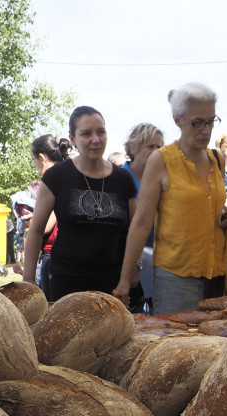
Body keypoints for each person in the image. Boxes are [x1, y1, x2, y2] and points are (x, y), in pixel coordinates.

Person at [113, 83, 227, 314]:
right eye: (197, 122)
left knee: (212, 346)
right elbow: (141, 222)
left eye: (211, 121)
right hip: (175, 278)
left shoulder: (217, 160)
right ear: (177, 120)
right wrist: (125, 277)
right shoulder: (161, 160)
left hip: (218, 275)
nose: (206, 130)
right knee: (175, 345)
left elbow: (211, 212)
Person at [23, 106, 137, 302]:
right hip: (66, 282)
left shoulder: (123, 179)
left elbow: (135, 230)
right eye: (86, 134)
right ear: (73, 139)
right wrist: (28, 279)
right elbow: (35, 231)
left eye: (101, 132)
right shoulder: (57, 177)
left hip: (113, 283)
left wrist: (131, 273)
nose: (95, 139)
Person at [122, 122, 165, 312]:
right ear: (134, 147)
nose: (156, 152)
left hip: (159, 260)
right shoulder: (121, 178)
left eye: (160, 147)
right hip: (126, 262)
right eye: (150, 146)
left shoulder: (164, 177)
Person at [22, 134, 70, 297]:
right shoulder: (68, 174)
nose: (35, 165)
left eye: (33, 160)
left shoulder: (52, 179)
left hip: (53, 253)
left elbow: (45, 226)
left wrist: (32, 221)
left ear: (42, 158)